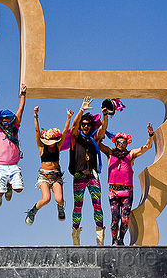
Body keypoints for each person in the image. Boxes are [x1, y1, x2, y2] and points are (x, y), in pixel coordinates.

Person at [99, 123, 154, 245]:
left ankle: (121, 240)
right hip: (113, 191)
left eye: (123, 143)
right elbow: (97, 143)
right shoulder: (110, 153)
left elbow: (146, 147)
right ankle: (114, 240)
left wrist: (150, 135)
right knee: (115, 218)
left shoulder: (131, 155)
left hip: (127, 192)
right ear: (115, 142)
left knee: (125, 219)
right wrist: (99, 130)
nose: (121, 145)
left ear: (127, 144)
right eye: (119, 142)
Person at [69, 96, 109, 245]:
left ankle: (100, 238)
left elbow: (103, 128)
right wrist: (81, 110)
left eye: (88, 124)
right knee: (77, 206)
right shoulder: (76, 137)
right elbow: (73, 127)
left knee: (97, 204)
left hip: (93, 175)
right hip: (79, 175)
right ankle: (75, 236)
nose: (86, 126)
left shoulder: (95, 138)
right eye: (83, 124)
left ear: (92, 126)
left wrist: (104, 114)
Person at [25, 106, 74, 226]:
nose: (51, 144)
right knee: (46, 199)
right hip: (44, 176)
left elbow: (65, 131)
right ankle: (33, 211)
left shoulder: (57, 147)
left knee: (59, 199)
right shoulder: (42, 148)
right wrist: (35, 116)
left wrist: (69, 117)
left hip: (56, 176)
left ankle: (60, 208)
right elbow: (37, 131)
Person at [0, 84, 27, 207]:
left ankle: (9, 186)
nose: (7, 123)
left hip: (14, 165)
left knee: (19, 189)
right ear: (1, 121)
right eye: (4, 121)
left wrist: (23, 95)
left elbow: (20, 111)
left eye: (9, 121)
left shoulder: (14, 128)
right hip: (0, 165)